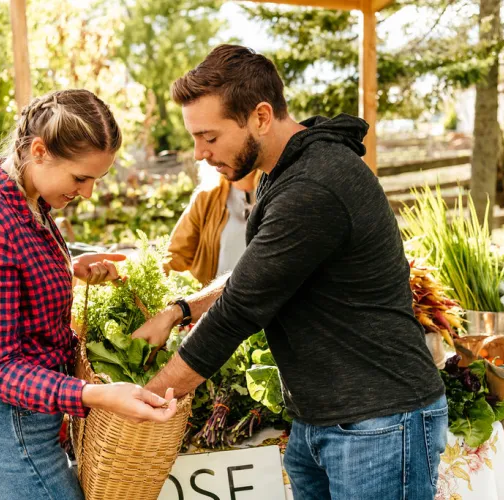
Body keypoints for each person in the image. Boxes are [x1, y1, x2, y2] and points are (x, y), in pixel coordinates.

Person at [132, 45, 447, 499]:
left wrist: (145, 399)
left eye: (210, 137)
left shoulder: (315, 184)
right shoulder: (286, 170)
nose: (199, 152)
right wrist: (180, 309)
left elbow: (239, 310)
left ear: (260, 116)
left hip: (377, 423)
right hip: (321, 421)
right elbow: (256, 270)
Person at [0, 89, 176, 500]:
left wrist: (68, 270)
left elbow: (11, 280)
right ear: (39, 151)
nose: (87, 193)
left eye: (95, 180)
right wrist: (97, 395)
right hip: (2, 435)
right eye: (80, 178)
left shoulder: (27, 202)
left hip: (23, 425)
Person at [165, 169, 260, 285]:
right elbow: (176, 256)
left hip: (262, 299)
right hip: (215, 300)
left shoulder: (278, 196)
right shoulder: (206, 198)